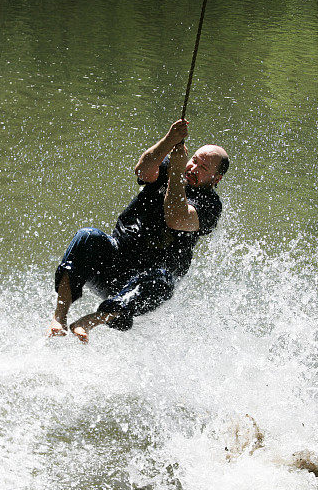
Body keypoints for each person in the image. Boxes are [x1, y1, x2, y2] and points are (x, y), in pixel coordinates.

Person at [49, 119, 229, 342]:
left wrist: (176, 173)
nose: (192, 168)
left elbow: (176, 217)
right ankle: (60, 317)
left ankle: (90, 320)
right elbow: (143, 170)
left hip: (144, 284)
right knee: (87, 236)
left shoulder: (210, 205)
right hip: (114, 259)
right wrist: (169, 140)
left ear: (216, 178)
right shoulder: (170, 166)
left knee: (162, 279)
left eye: (203, 168)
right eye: (194, 161)